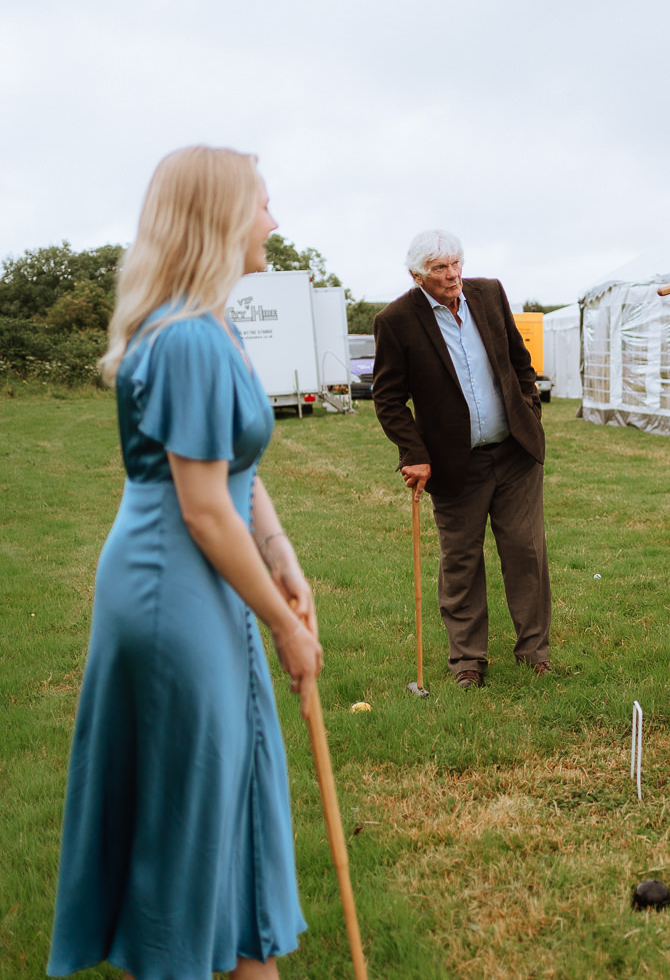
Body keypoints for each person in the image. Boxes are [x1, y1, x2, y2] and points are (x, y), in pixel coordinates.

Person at [49, 146, 322, 979]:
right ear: (220, 218)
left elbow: (236, 472)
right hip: (172, 586)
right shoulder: (187, 342)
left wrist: (281, 560)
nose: (275, 222)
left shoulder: (213, 325)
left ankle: (245, 956)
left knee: (227, 788)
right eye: (264, 204)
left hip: (206, 574)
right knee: (190, 802)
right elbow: (203, 508)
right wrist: (283, 627)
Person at [372, 231, 551, 686]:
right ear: (416, 276)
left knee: (526, 552)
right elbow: (388, 398)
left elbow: (518, 358)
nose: (453, 276)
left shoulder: (488, 292)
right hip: (454, 466)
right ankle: (467, 661)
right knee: (461, 562)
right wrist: (413, 453)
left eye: (456, 264)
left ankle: (534, 651)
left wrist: (529, 408)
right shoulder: (396, 321)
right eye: (439, 268)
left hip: (514, 454)